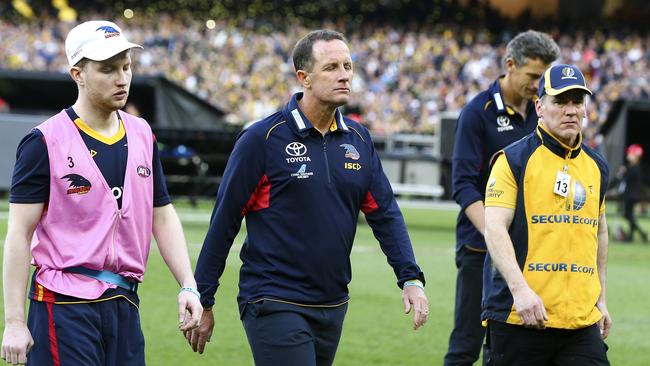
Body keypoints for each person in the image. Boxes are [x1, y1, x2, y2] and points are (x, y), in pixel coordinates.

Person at [187, 29, 429, 365]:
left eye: (348, 65)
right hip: (273, 299)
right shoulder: (262, 139)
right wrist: (203, 296)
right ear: (305, 78)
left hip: (333, 304)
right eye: (331, 67)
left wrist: (411, 277)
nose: (344, 74)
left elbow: (385, 213)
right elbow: (225, 220)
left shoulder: (359, 139)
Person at [1, 20, 202, 366]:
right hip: (63, 304)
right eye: (107, 69)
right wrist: (15, 323)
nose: (122, 78)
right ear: (77, 74)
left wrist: (188, 284)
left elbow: (162, 214)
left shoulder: (142, 133)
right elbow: (19, 233)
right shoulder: (43, 141)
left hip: (124, 302)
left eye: (126, 67)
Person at [482, 64, 611, 365]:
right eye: (560, 101)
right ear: (540, 106)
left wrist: (601, 299)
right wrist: (520, 291)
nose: (570, 110)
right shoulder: (513, 160)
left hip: (580, 324)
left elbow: (599, 230)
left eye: (576, 101)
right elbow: (494, 229)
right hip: (520, 316)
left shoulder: (597, 166)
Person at [446, 30, 559, 366]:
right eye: (534, 76)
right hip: (480, 249)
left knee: (508, 348)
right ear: (510, 64)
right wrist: (495, 234)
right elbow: (463, 185)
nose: (539, 85)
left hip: (530, 253)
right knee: (467, 343)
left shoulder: (543, 115)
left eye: (545, 78)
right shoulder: (476, 112)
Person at [616, 144, 648, 242]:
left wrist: (623, 172)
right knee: (629, 215)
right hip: (630, 195)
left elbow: (627, 178)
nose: (628, 155)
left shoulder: (636, 168)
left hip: (632, 196)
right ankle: (634, 235)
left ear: (636, 156)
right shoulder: (631, 167)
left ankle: (639, 233)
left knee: (627, 215)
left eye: (631, 154)